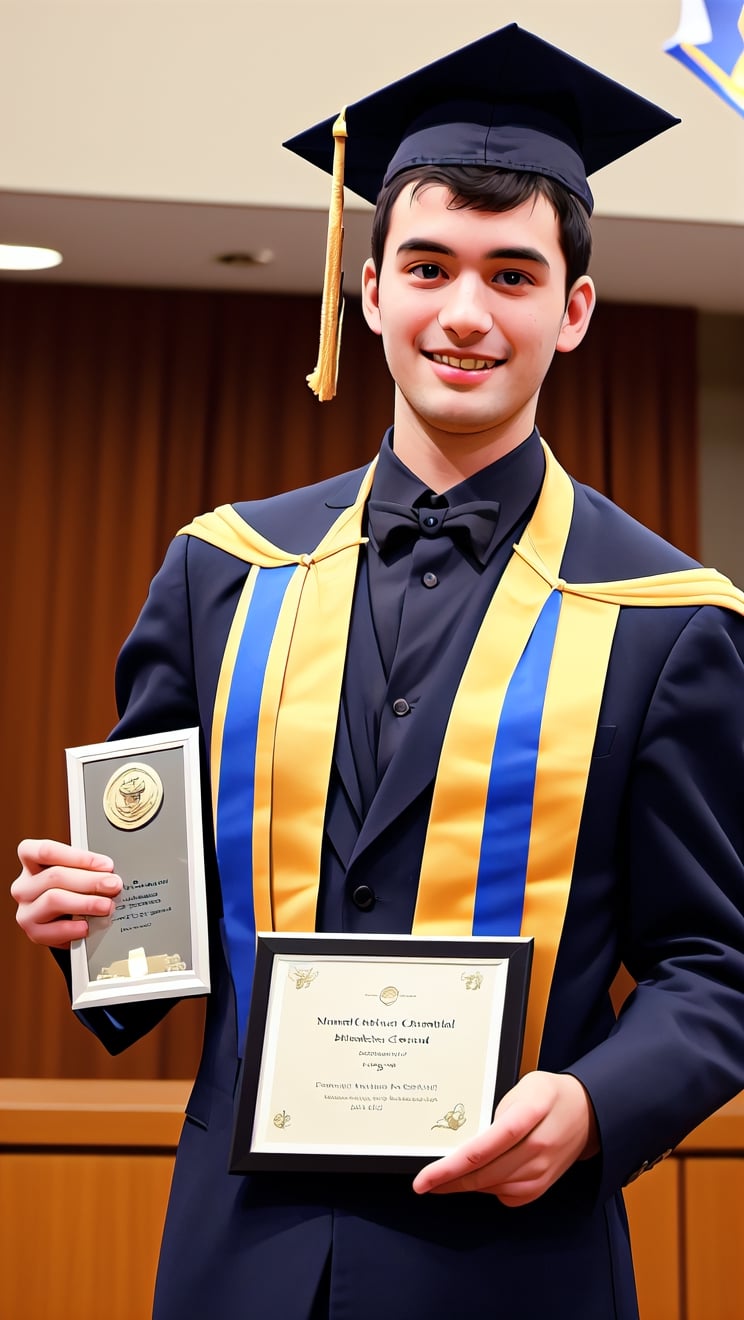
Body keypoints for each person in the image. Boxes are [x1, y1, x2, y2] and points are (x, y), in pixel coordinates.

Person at [11, 23, 744, 1320]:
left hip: (516, 1260)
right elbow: (150, 933)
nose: (466, 313)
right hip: (238, 1257)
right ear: (369, 289)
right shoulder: (220, 571)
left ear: (572, 310)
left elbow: (714, 963)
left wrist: (593, 1106)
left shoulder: (668, 620)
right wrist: (92, 924)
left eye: (513, 274)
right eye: (429, 265)